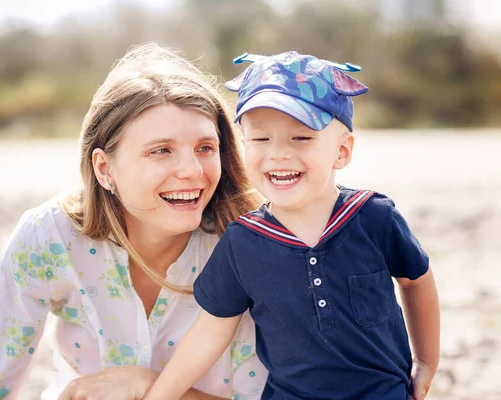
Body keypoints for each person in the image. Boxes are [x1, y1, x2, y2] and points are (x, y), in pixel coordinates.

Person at [0, 43, 269, 400]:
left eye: (205, 148)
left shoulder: (251, 248)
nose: (193, 171)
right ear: (104, 169)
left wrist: (146, 386)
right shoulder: (48, 237)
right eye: (161, 150)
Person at [144, 51, 440, 400]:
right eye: (260, 139)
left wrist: (425, 362)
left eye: (301, 138)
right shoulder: (243, 243)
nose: (279, 154)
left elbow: (416, 282)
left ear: (342, 151)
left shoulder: (374, 217)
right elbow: (210, 332)